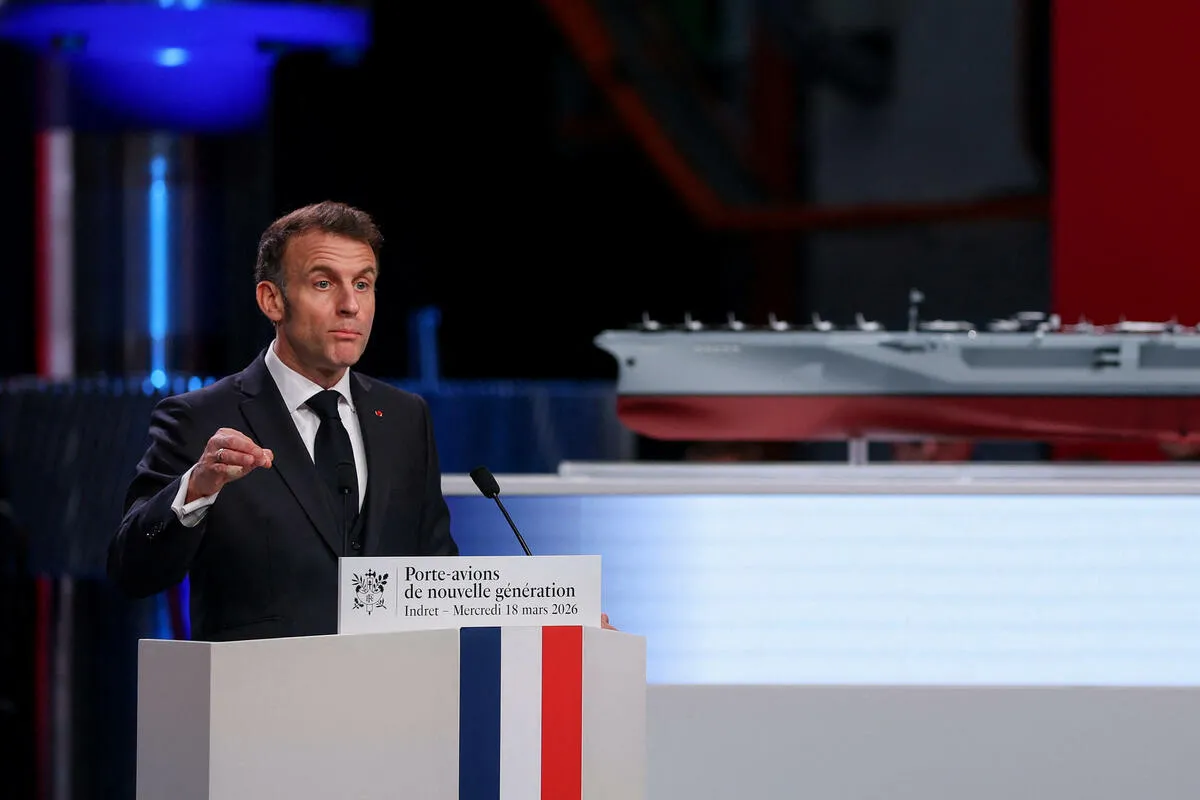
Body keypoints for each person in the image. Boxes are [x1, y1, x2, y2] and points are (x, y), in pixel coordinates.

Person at [107, 201, 460, 641]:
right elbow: (131, 570)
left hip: (388, 678)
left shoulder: (406, 418)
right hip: (255, 681)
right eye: (324, 283)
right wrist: (196, 490)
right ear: (272, 300)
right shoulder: (199, 420)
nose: (350, 305)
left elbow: (435, 570)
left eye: (363, 284)